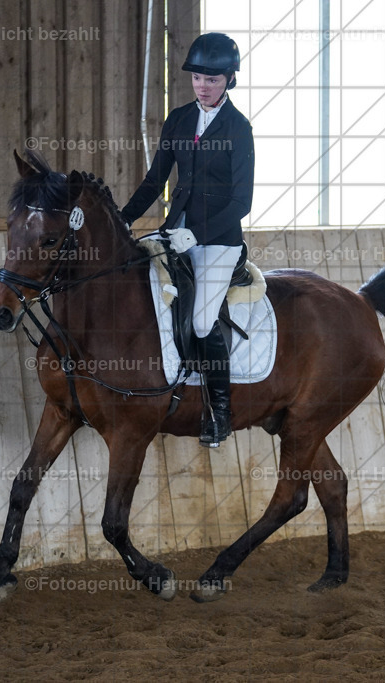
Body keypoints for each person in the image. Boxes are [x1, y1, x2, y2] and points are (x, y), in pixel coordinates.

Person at [120, 32, 255, 447]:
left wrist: (196, 234)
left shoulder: (238, 128)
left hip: (217, 240)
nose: (202, 86)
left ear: (229, 80)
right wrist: (120, 219)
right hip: (175, 230)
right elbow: (154, 180)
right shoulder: (178, 118)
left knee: (200, 319)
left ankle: (220, 412)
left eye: (212, 80)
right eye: (197, 78)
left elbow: (241, 202)